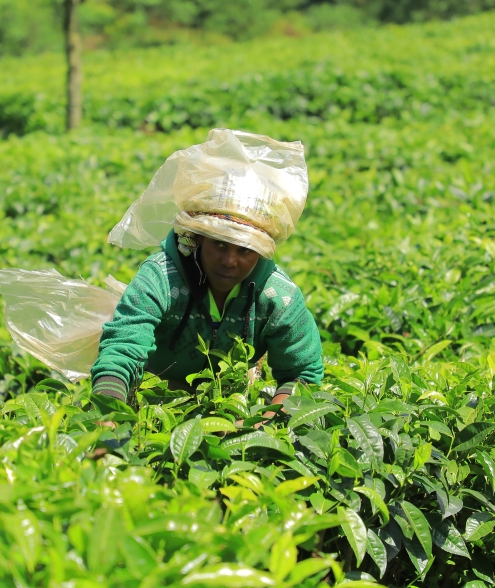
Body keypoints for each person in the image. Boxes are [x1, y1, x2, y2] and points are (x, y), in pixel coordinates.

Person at [90, 129, 324, 409]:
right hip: (153, 398)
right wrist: (109, 412)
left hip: (233, 405)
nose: (229, 261)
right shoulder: (160, 278)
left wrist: (269, 420)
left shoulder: (278, 298)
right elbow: (122, 349)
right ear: (197, 238)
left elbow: (302, 373)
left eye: (245, 250)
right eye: (220, 245)